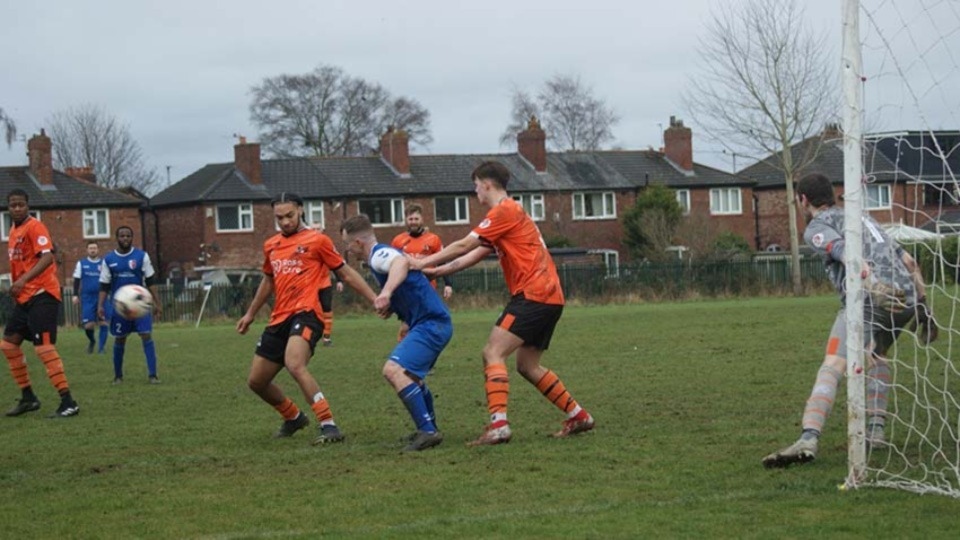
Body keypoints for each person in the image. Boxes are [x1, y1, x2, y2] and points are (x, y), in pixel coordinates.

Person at [408, 161, 594, 446]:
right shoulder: (510, 215)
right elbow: (473, 255)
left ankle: (498, 426)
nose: (475, 192)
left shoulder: (504, 210)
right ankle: (578, 415)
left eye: (475, 186)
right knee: (528, 366)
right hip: (549, 295)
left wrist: (420, 261)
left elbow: (463, 245)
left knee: (492, 352)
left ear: (487, 184)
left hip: (533, 294)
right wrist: (435, 271)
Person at [762, 173, 935, 468]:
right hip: (906, 300)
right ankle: (876, 431)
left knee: (833, 364)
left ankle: (808, 437)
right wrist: (924, 305)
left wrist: (871, 283)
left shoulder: (817, 226)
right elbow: (910, 262)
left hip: (870, 299)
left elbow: (844, 252)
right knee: (878, 356)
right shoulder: (863, 218)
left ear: (803, 200)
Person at [236, 192, 378, 445]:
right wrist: (250, 313)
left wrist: (375, 298)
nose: (285, 221)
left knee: (295, 363)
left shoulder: (317, 240)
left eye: (289, 215)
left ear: (300, 210)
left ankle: (329, 425)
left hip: (308, 313)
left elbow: (345, 273)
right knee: (256, 381)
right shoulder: (271, 245)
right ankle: (293, 417)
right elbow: (268, 281)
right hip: (279, 318)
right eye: (279, 217)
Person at [342, 214, 453, 451]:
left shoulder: (379, 254)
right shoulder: (378, 256)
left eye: (348, 245)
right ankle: (428, 427)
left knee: (392, 370)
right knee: (410, 375)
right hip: (430, 322)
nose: (348, 251)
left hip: (432, 323)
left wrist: (386, 293)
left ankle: (428, 431)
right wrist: (395, 307)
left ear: (359, 243)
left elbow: (400, 263)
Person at [2, 189, 80, 417]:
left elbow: (48, 257)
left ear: (28, 206)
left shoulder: (35, 226)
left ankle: (68, 402)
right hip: (25, 297)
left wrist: (23, 280)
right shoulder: (14, 231)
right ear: (8, 208)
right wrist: (17, 286)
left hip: (43, 295)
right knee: (8, 344)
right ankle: (28, 397)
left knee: (44, 347)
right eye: (13, 205)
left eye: (20, 205)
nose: (17, 208)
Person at [97, 226, 164, 384]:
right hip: (121, 307)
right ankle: (118, 376)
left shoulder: (142, 256)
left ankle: (153, 375)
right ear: (117, 238)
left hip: (141, 305)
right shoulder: (109, 259)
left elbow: (151, 281)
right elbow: (104, 285)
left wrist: (157, 303)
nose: (125, 238)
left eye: (128, 235)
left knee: (146, 335)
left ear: (132, 238)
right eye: (122, 236)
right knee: (120, 339)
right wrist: (100, 306)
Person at [392, 204, 454, 300]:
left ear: (422, 219)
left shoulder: (433, 239)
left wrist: (448, 284)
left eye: (416, 219)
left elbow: (442, 262)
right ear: (406, 220)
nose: (413, 222)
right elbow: (392, 266)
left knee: (431, 314)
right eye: (410, 219)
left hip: (428, 288)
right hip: (406, 288)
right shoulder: (398, 241)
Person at [72, 241, 109, 354]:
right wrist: (75, 295)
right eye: (90, 248)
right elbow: (77, 280)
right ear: (87, 250)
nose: (93, 250)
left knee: (104, 323)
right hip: (87, 297)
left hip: (102, 297)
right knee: (89, 325)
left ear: (98, 250)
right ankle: (92, 341)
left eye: (94, 248)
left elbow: (109, 279)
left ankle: (101, 348)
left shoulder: (104, 264)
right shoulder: (81, 263)